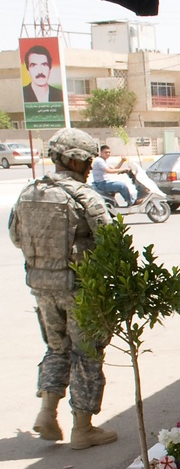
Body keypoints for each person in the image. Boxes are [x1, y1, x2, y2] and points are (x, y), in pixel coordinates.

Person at [8, 127, 118, 449]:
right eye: (86, 161)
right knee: (86, 353)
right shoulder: (83, 196)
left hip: (42, 288)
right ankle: (82, 428)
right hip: (79, 289)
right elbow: (111, 241)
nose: (88, 167)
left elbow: (16, 237)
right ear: (73, 160)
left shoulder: (29, 192)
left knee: (57, 349)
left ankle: (47, 412)